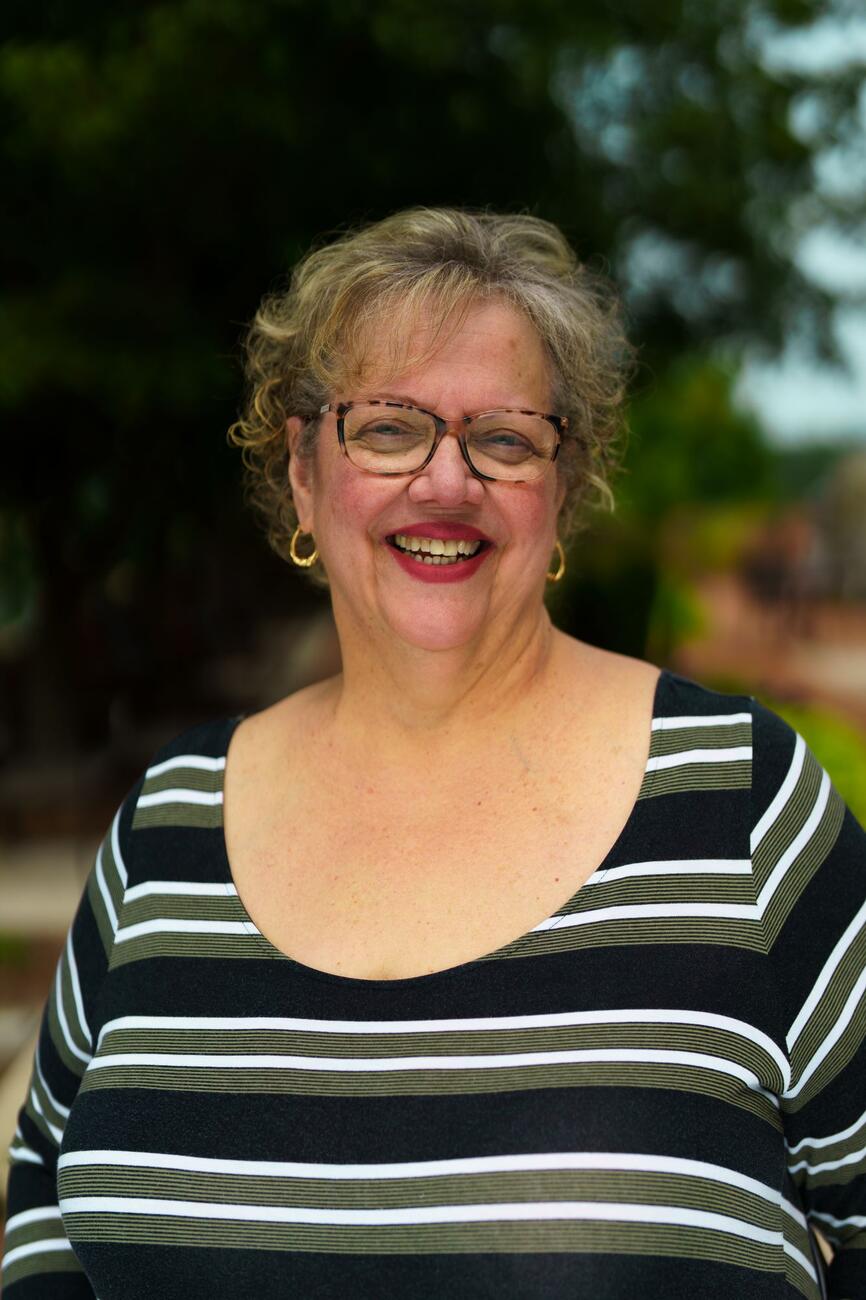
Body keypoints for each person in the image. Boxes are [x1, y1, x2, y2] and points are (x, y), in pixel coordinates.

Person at [2, 207, 864, 1299]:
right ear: (304, 471)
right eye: (389, 427)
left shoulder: (741, 807)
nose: (446, 483)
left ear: (561, 487)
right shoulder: (168, 823)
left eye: (503, 437)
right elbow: (45, 1201)